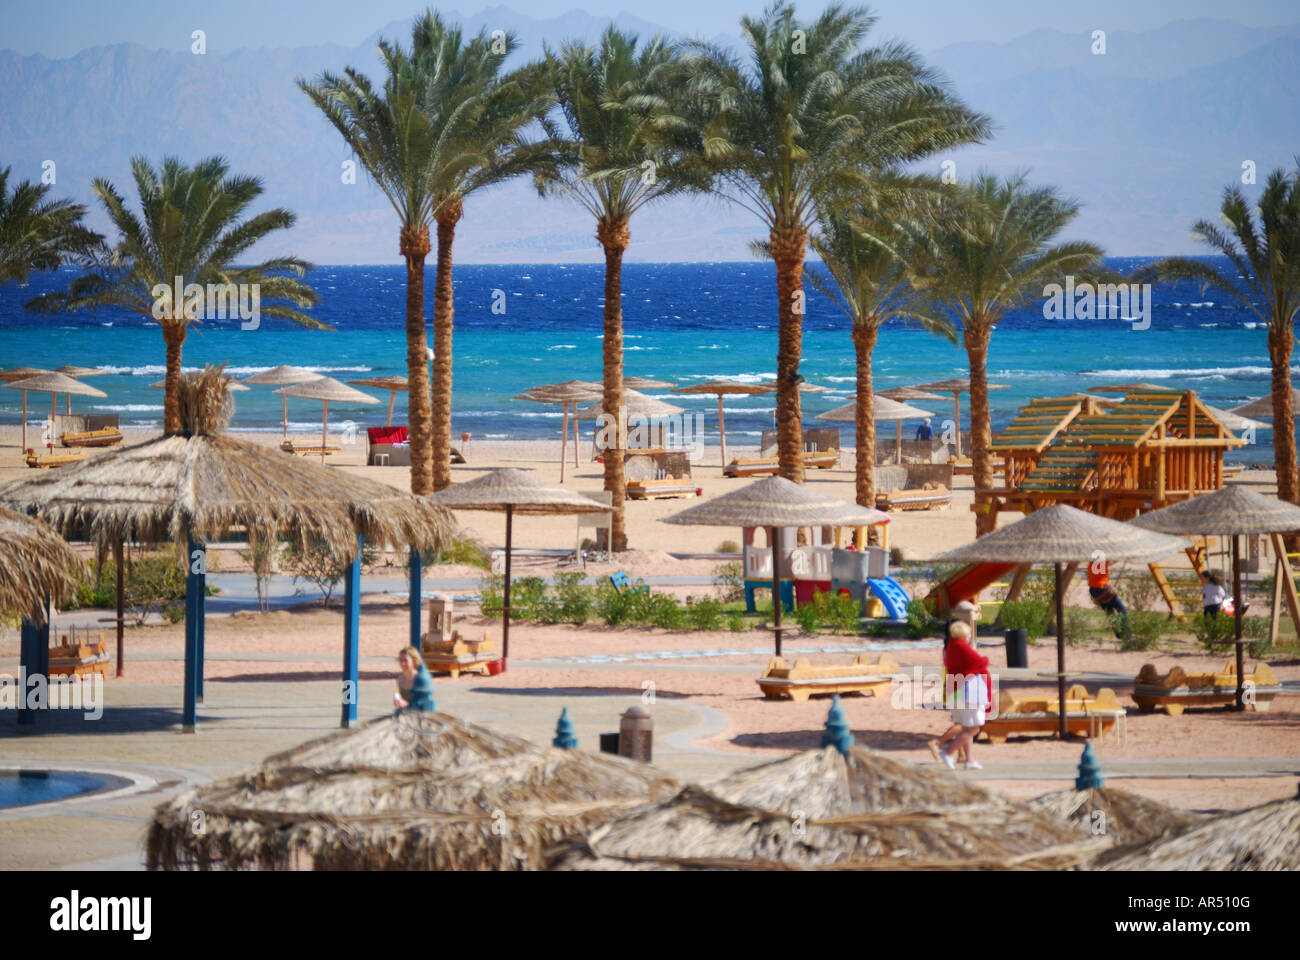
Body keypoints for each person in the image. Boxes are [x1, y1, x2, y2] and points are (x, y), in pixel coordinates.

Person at [936, 621, 992, 771]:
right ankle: (948, 752)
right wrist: (986, 659)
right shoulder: (961, 646)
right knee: (973, 728)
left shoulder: (951, 647)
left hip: (956, 689)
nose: (969, 636)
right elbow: (980, 662)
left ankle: (969, 760)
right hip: (968, 690)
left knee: (965, 726)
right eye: (967, 633)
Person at [1087, 559, 1130, 640]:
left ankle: (1119, 634)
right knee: (1122, 610)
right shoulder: (1102, 561)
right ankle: (1126, 634)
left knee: (1110, 611)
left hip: (1094, 591)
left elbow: (1109, 563)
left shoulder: (1091, 563)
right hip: (1103, 589)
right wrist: (1124, 558)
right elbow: (1111, 561)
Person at [395, 646, 434, 711]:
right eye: (401, 660)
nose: (402, 663)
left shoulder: (421, 680)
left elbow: (426, 704)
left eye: (406, 660)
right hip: (405, 714)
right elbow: (397, 693)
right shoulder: (400, 679)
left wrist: (407, 704)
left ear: (414, 661)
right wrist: (397, 699)